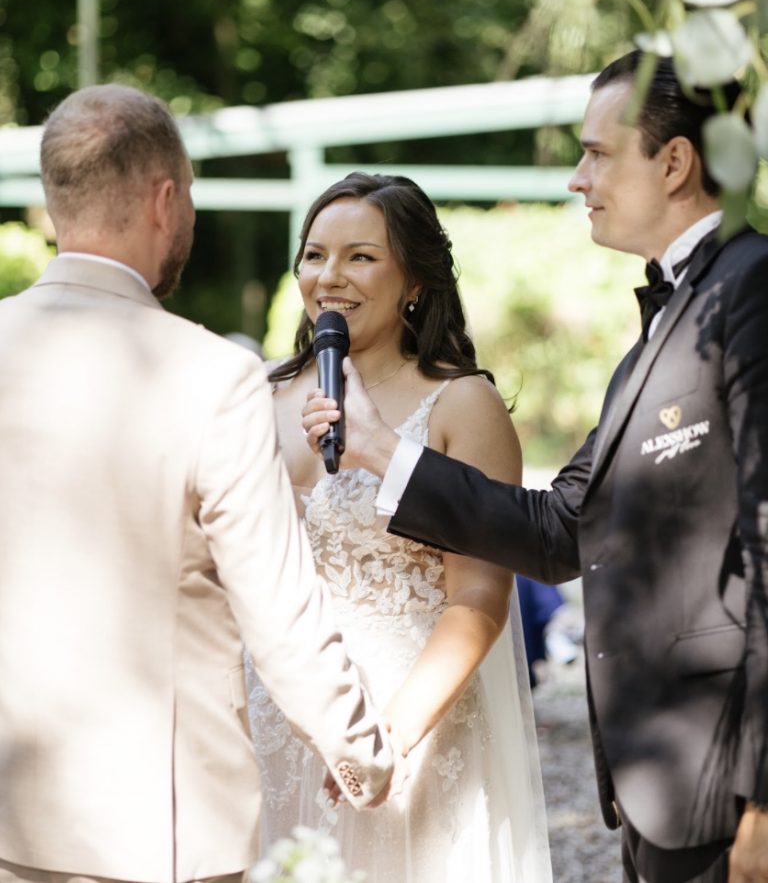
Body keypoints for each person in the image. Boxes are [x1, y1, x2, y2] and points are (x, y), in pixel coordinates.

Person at [301, 54, 768, 883]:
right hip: (661, 786)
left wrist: (764, 796)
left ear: (674, 161)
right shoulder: (665, 325)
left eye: (595, 154)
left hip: (728, 784)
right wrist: (378, 447)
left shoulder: (753, 290)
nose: (576, 179)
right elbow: (558, 529)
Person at [0, 85, 395, 883]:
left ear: (53, 205)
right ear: (165, 199)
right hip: (155, 827)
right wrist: (362, 753)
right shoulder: (214, 376)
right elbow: (278, 607)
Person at [246, 172, 552, 882]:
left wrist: (389, 737)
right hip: (273, 722)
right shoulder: (259, 393)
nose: (329, 276)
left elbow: (478, 600)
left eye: (360, 256)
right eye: (314, 254)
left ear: (414, 278)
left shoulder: (461, 403)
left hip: (406, 720)